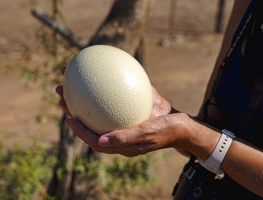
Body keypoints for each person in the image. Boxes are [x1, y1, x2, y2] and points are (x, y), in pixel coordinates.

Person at [56, 0, 263, 199]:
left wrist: (191, 135)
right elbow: (210, 128)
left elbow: (203, 139)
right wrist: (169, 117)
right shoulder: (248, 7)